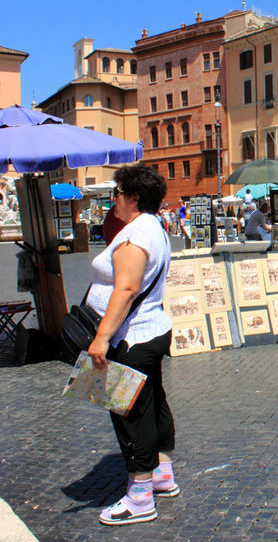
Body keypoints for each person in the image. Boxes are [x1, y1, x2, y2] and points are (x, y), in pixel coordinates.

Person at [85, 165, 178, 526]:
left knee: (129, 412)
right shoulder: (154, 227)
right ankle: (162, 474)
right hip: (151, 330)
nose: (113, 199)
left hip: (130, 335)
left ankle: (139, 497)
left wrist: (101, 338)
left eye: (117, 192)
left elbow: (126, 288)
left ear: (133, 198)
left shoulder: (136, 234)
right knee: (153, 402)